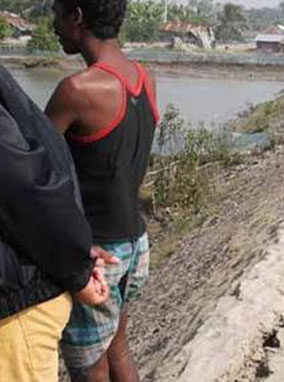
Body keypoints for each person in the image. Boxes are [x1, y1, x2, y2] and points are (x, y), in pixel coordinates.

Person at [45, 0, 159, 380]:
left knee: (89, 367)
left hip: (96, 254)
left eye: (56, 13)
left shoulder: (78, 90)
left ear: (76, 17)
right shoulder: (144, 77)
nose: (54, 25)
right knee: (118, 349)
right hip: (134, 243)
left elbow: (30, 166)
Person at [0, 63, 116, 382]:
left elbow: (22, 182)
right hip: (19, 295)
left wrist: (76, 259)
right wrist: (76, 263)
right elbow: (21, 181)